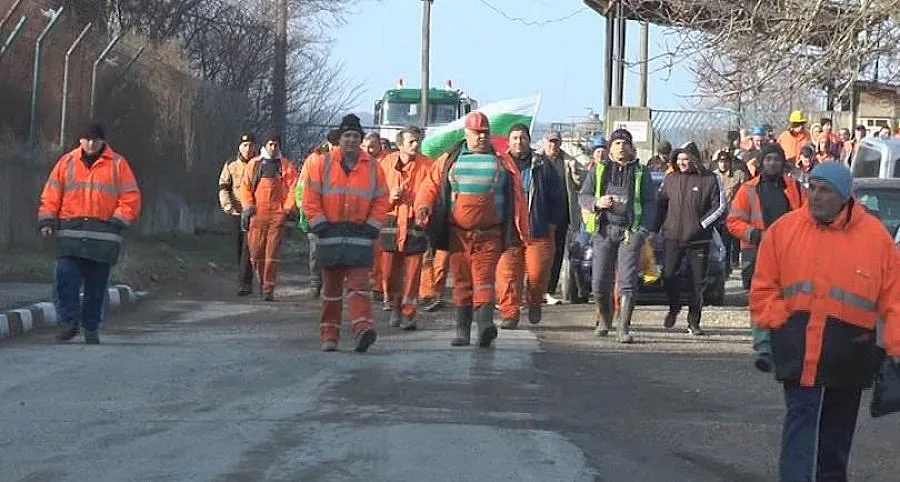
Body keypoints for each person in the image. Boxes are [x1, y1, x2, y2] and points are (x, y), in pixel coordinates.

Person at [750, 162, 900, 482]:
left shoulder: (876, 239)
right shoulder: (784, 230)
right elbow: (763, 288)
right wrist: (779, 325)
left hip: (850, 352)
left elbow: (894, 300)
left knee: (837, 430)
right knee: (801, 419)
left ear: (845, 197)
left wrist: (895, 350)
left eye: (825, 190)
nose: (815, 196)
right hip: (799, 346)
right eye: (812, 187)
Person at [414, 111, 529, 348]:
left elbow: (518, 198)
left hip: (490, 234)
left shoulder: (502, 162)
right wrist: (423, 208)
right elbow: (429, 186)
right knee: (462, 282)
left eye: (485, 133)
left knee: (484, 279)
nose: (481, 138)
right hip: (458, 234)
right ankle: (462, 331)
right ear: (466, 134)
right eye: (476, 133)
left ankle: (485, 325)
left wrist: (520, 230)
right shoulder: (449, 161)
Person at [38, 122, 142, 344]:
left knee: (96, 286)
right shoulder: (66, 163)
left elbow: (131, 197)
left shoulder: (118, 164)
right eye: (87, 139)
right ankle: (69, 323)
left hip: (103, 239)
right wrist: (47, 220)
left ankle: (91, 327)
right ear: (80, 141)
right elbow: (51, 195)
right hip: (70, 237)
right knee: (66, 280)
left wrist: (117, 221)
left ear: (103, 141)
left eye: (95, 139)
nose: (91, 143)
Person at [302, 114, 390, 352]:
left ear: (360, 140)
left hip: (360, 237)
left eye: (355, 136)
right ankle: (329, 336)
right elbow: (309, 198)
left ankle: (363, 330)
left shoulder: (373, 168)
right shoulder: (322, 164)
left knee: (358, 287)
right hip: (329, 235)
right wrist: (319, 224)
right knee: (330, 291)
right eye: (347, 135)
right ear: (339, 139)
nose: (351, 140)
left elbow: (382, 200)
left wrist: (373, 225)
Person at [726, 143, 804, 372]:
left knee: (789, 297)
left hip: (790, 251)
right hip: (756, 250)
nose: (772, 163)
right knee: (760, 298)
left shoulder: (795, 188)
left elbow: (808, 216)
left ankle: (784, 342)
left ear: (782, 163)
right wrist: (756, 234)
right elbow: (733, 222)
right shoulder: (748, 189)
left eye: (776, 159)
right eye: (768, 159)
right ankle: (763, 346)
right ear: (761, 162)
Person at [578, 128, 654, 343]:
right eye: (617, 143)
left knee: (627, 282)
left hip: (630, 232)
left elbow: (650, 202)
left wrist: (643, 230)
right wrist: (596, 203)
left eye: (625, 143)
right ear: (610, 147)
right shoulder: (600, 169)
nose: (622, 147)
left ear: (632, 147)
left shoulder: (640, 171)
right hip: (604, 231)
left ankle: (623, 328)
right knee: (599, 282)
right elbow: (583, 195)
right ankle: (604, 320)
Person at [496, 124, 564, 329]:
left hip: (537, 228)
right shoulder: (500, 165)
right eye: (515, 138)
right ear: (509, 141)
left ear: (529, 140)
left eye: (522, 138)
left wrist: (552, 223)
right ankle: (510, 313)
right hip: (508, 230)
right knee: (508, 276)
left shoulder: (543, 165)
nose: (519, 142)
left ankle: (535, 302)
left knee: (537, 274)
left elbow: (558, 197)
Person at [652, 146, 725, 335]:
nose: (682, 163)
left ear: (694, 159)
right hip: (672, 236)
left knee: (697, 283)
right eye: (679, 159)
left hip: (698, 240)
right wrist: (654, 230)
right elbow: (660, 206)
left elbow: (719, 208)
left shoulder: (710, 178)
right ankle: (674, 305)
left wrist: (700, 226)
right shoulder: (670, 179)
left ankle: (694, 322)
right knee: (667, 276)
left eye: (685, 159)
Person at [379, 126, 432, 331]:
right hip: (391, 224)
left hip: (415, 226)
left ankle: (409, 313)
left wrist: (424, 211)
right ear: (399, 144)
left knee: (412, 275)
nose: (415, 145)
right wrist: (390, 198)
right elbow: (376, 195)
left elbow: (432, 194)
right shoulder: (386, 164)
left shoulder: (427, 166)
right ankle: (394, 307)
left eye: (417, 141)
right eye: (411, 142)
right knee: (390, 273)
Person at [239, 135, 298, 301]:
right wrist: (248, 205)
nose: (273, 147)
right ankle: (261, 281)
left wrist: (287, 208)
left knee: (272, 253)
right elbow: (245, 186)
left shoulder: (285, 165)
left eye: (276, 145)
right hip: (257, 214)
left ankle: (268, 288)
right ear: (265, 145)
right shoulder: (254, 164)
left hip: (277, 215)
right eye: (270, 144)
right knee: (256, 252)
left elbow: (293, 186)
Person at [296, 129, 340, 299]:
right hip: (316, 214)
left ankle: (330, 285)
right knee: (316, 251)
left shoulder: (348, 161)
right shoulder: (314, 160)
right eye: (334, 145)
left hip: (337, 215)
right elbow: (302, 187)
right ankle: (316, 283)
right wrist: (305, 210)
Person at [218, 133, 257, 296]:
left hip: (253, 213)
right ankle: (243, 278)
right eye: (244, 146)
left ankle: (245, 283)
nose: (247, 149)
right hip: (236, 212)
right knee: (239, 248)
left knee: (249, 248)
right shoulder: (231, 164)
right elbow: (224, 187)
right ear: (239, 147)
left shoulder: (259, 164)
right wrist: (227, 205)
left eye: (250, 146)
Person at [542, 131, 575, 305]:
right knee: (539, 255)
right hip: (540, 216)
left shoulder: (569, 161)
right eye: (550, 142)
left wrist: (575, 173)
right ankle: (533, 289)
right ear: (544, 142)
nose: (553, 145)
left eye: (556, 142)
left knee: (557, 254)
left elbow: (579, 185)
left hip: (562, 216)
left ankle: (548, 291)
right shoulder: (537, 160)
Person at [712, 148, 746, 269]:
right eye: (721, 161)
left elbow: (745, 192)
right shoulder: (713, 176)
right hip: (717, 213)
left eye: (726, 161)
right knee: (720, 241)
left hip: (733, 212)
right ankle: (722, 265)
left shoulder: (738, 175)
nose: (723, 163)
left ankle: (731, 263)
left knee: (731, 240)